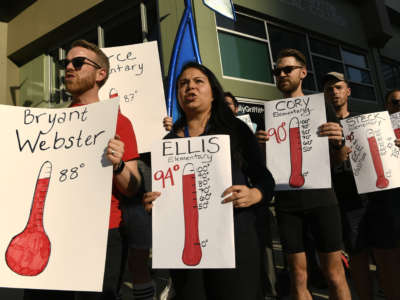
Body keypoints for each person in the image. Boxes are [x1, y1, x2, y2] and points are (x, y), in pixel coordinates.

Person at [144, 62, 275, 300]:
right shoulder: (168, 141)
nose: (190, 87)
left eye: (198, 82)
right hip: (185, 249)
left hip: (235, 241)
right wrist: (153, 202)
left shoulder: (236, 130)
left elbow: (265, 179)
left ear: (213, 93)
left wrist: (254, 194)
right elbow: (162, 190)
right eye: (183, 83)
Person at [256, 49, 351, 300]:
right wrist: (261, 147)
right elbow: (265, 168)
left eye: (288, 69)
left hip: (322, 200)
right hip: (288, 205)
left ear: (303, 72)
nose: (282, 74)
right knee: (298, 278)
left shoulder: (322, 108)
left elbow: (337, 160)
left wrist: (339, 142)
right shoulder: (269, 115)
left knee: (334, 275)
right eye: (277, 71)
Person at [65, 39, 142, 300]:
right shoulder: (53, 124)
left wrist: (118, 165)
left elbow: (132, 187)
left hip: (103, 234)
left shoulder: (120, 123)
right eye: (65, 63)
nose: (68, 68)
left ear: (101, 74)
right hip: (59, 231)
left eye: (77, 63)